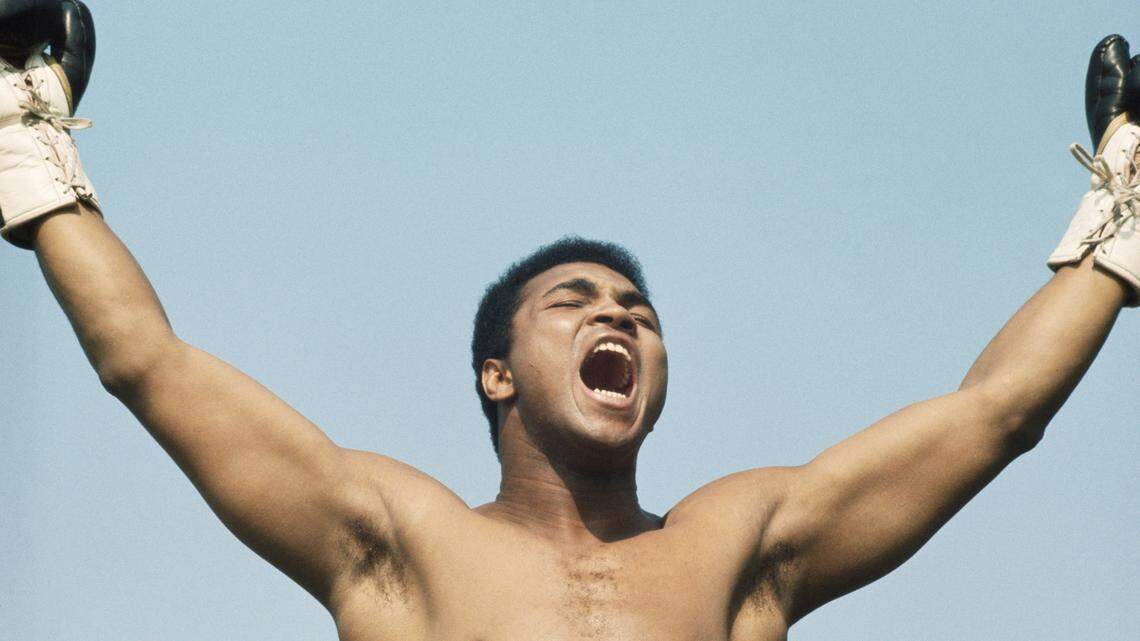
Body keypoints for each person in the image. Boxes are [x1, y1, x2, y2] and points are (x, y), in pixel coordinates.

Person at [3, 3, 1137, 640]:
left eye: (639, 310)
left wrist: (1122, 204)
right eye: (578, 301)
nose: (622, 318)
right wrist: (27, 132)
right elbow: (145, 361)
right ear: (497, 372)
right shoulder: (399, 537)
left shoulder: (739, 544)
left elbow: (998, 411)